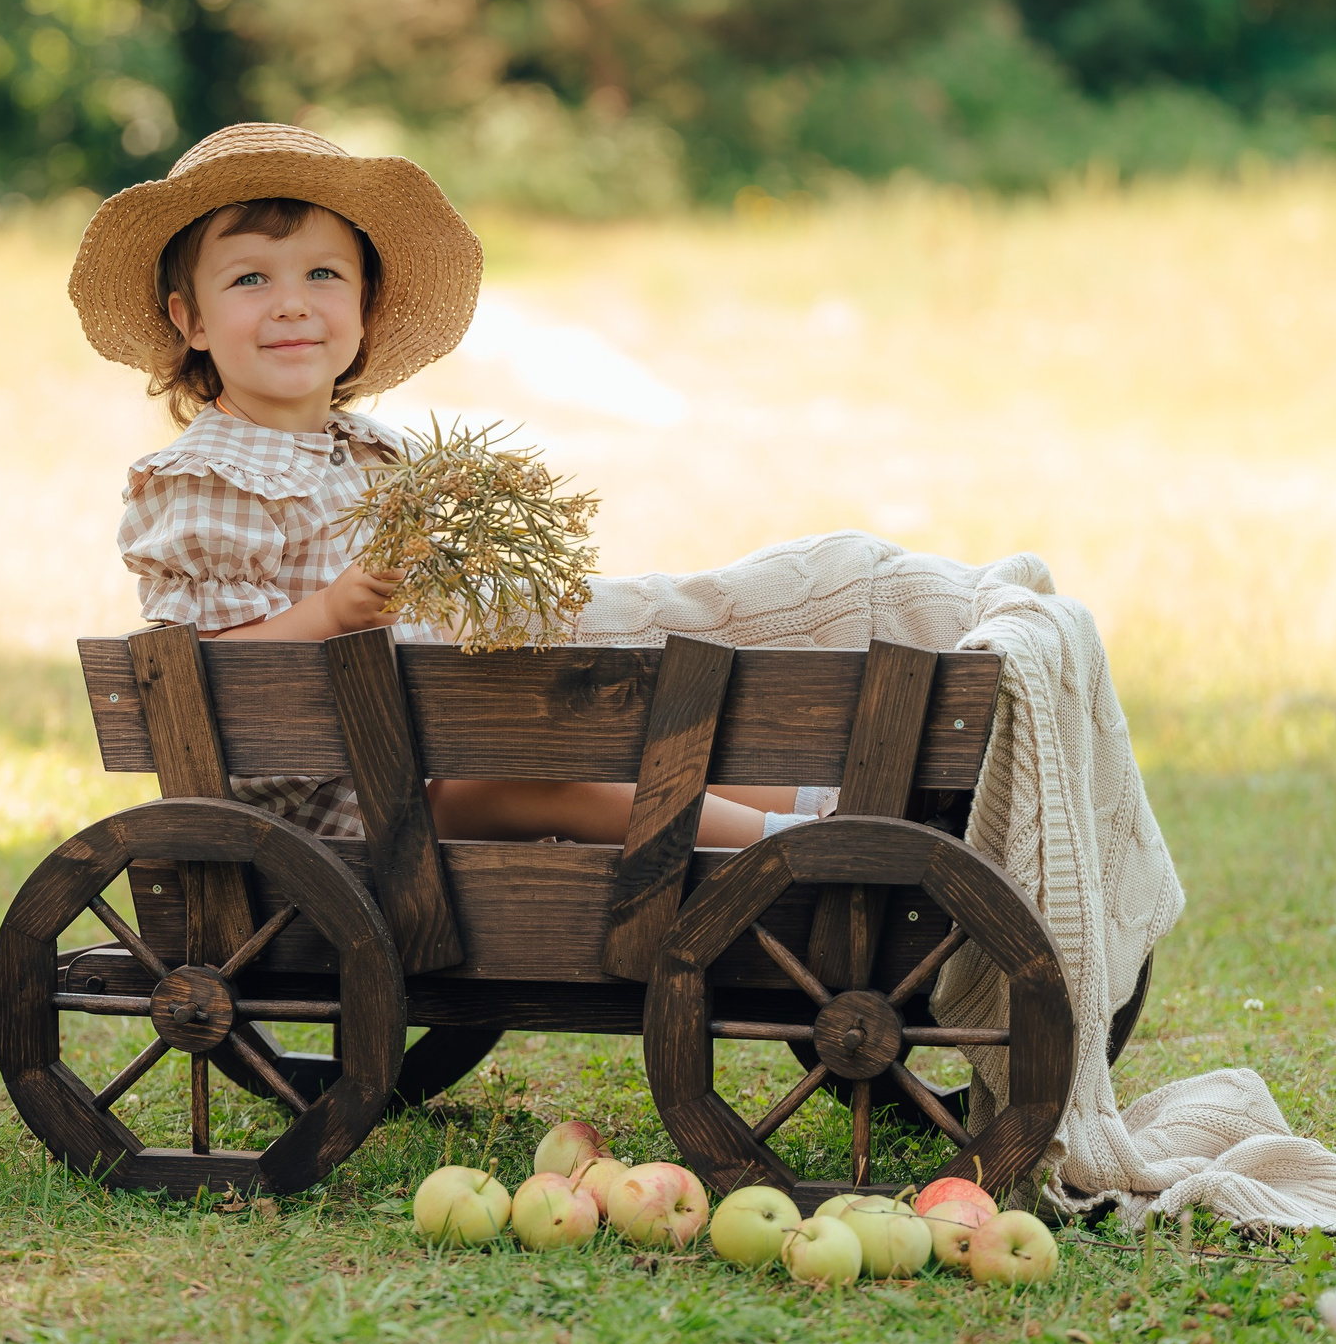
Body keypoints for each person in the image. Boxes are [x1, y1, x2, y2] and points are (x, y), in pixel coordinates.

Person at [68, 123, 828, 847]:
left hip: (424, 748)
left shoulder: (378, 454)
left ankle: (836, 807)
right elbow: (197, 679)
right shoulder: (205, 480)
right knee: (544, 773)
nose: (292, 301)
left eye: (323, 273)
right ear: (190, 319)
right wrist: (330, 612)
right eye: (250, 278)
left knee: (614, 729)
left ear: (364, 305)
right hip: (329, 807)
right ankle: (788, 851)